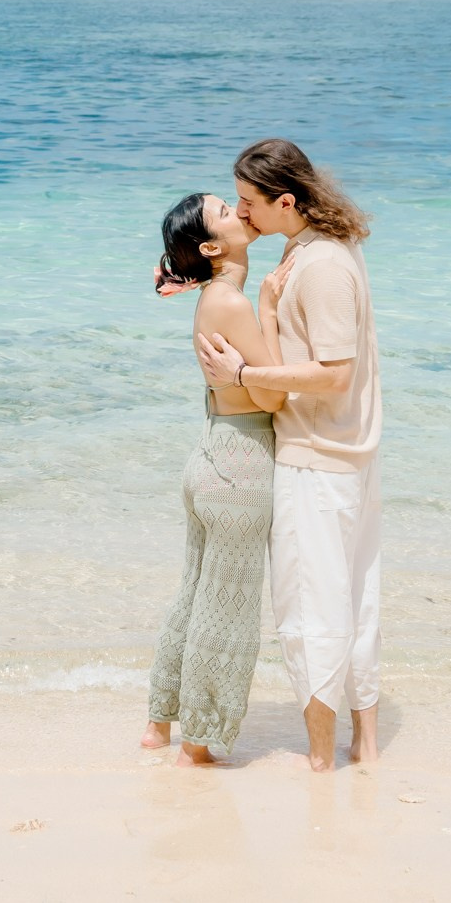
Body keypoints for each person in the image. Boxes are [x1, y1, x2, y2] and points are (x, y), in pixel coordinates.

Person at [197, 139, 381, 772]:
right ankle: (365, 746)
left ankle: (323, 760)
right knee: (353, 597)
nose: (242, 213)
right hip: (340, 453)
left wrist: (245, 374)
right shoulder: (313, 251)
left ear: (286, 200)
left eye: (249, 202)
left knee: (310, 609)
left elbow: (334, 374)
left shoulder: (321, 265)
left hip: (316, 457)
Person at [141, 192, 290, 766]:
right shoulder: (230, 301)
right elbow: (272, 392)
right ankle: (198, 744)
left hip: (211, 454)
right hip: (241, 463)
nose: (241, 211)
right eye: (227, 211)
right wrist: (272, 311)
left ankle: (161, 723)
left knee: (197, 594)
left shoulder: (213, 294)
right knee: (227, 609)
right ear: (210, 246)